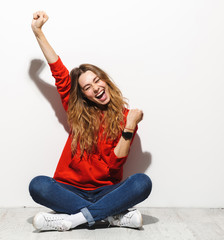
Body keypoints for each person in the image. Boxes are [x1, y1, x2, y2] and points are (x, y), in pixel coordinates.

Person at [29, 11, 152, 232]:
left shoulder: (126, 118)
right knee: (38, 185)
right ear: (83, 95)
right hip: (68, 189)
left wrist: (130, 125)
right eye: (87, 87)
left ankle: (75, 219)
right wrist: (38, 32)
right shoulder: (76, 110)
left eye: (96, 81)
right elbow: (58, 70)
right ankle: (112, 216)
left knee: (142, 183)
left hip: (107, 191)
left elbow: (115, 166)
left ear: (104, 80)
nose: (95, 88)